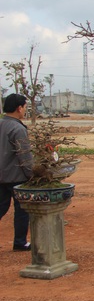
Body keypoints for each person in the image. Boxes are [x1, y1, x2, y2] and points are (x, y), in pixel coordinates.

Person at [0, 94, 34, 251]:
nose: (25, 110)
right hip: (16, 177)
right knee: (21, 210)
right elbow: (25, 156)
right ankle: (20, 242)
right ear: (19, 108)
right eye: (25, 107)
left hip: (1, 176)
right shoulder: (18, 128)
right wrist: (31, 175)